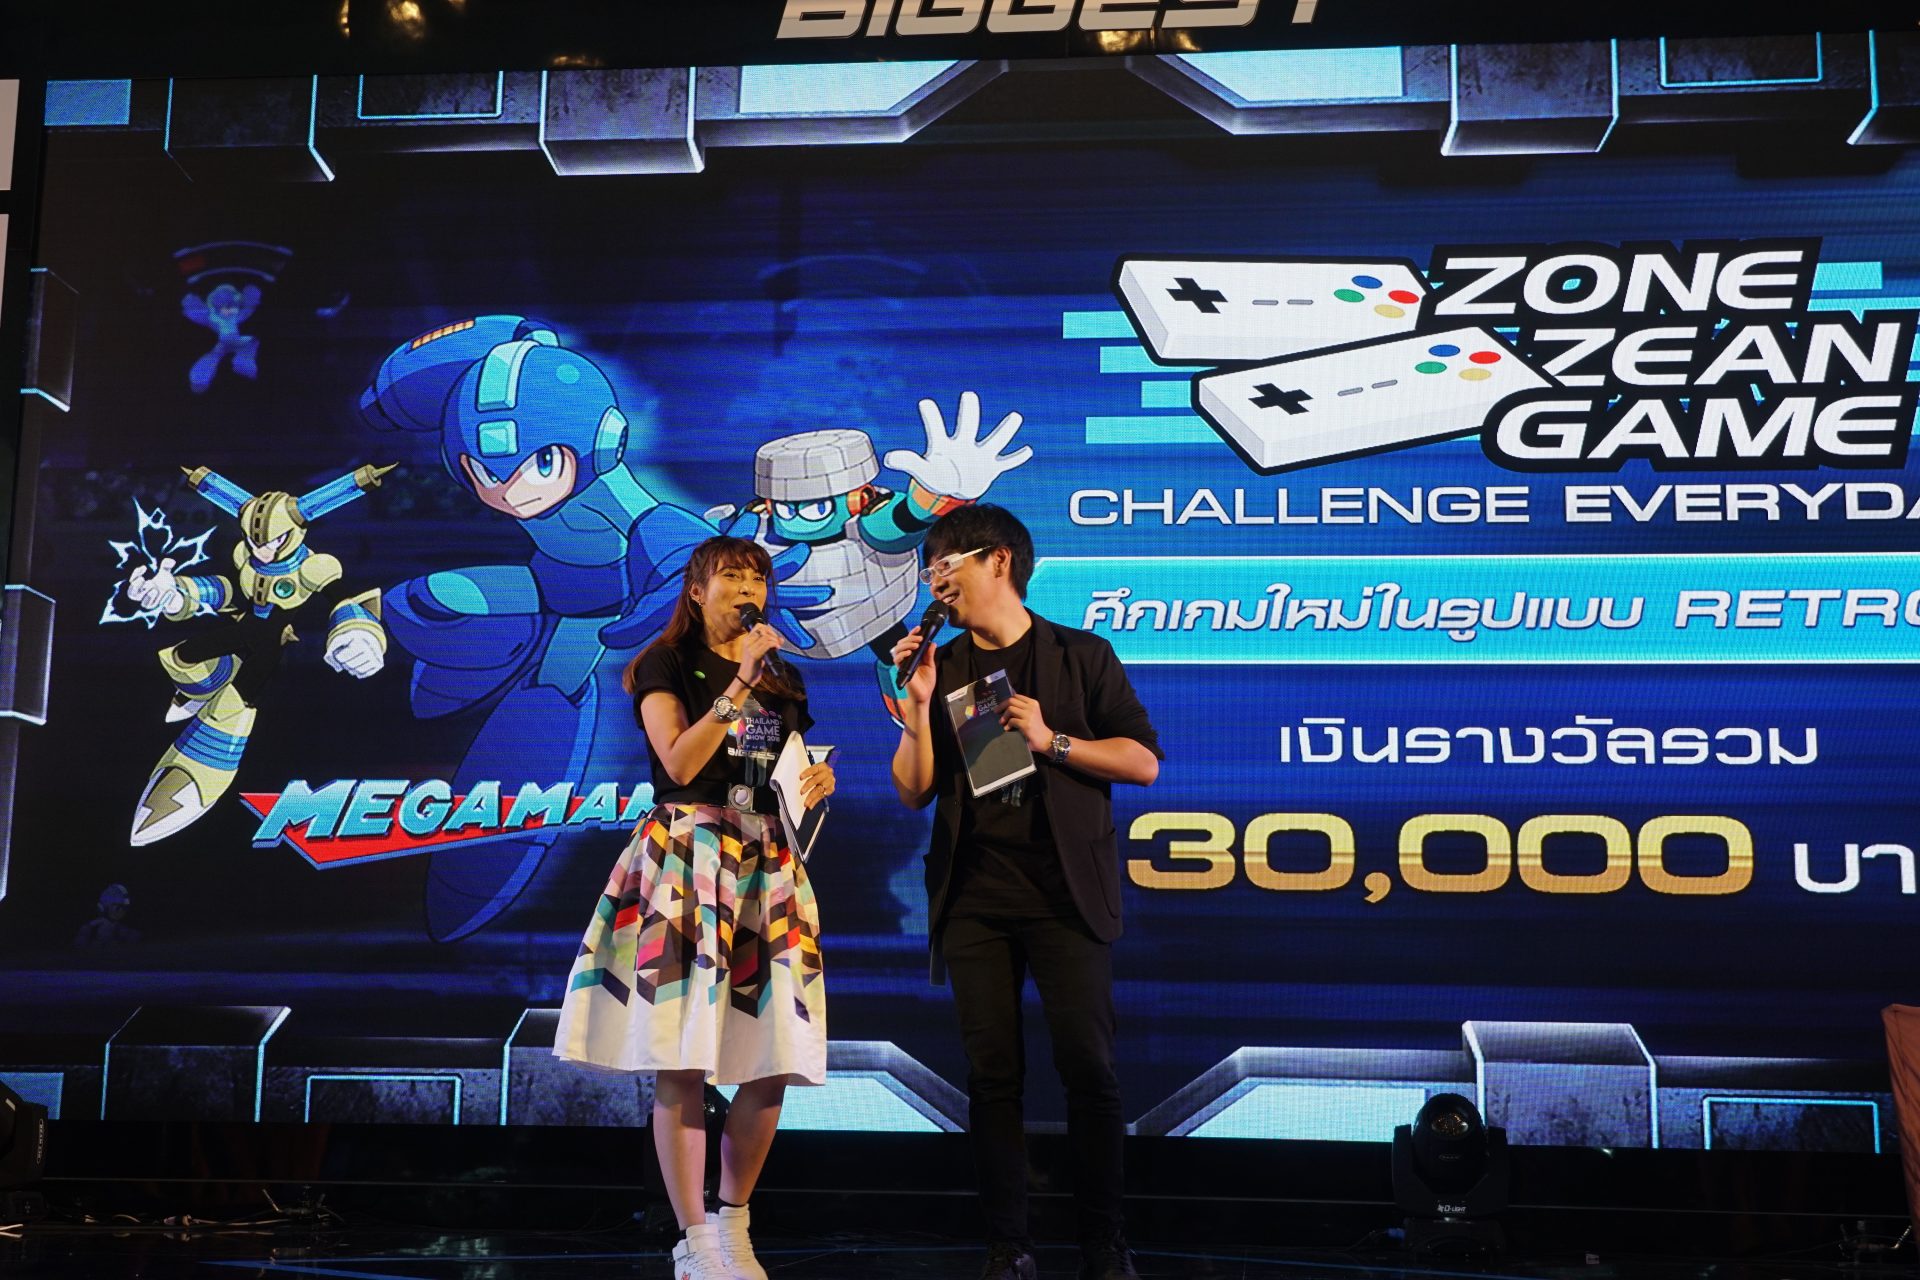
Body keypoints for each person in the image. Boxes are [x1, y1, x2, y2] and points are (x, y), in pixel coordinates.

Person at [888, 504, 1162, 1280]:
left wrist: (1053, 741)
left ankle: (1103, 1243)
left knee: (1089, 1070)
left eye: (947, 566)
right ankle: (1008, 1246)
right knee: (992, 1077)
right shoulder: (940, 665)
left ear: (998, 560)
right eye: (930, 571)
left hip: (1065, 896)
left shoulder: (1080, 655)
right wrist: (917, 709)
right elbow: (912, 789)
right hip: (975, 899)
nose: (936, 584)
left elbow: (1142, 762)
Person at [555, 535, 836, 1280]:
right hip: (689, 857)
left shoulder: (784, 678)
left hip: (766, 865)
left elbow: (782, 771)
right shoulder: (667, 662)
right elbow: (679, 760)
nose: (748, 591)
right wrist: (738, 685)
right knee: (682, 1056)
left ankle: (734, 1225)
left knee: (773, 1056)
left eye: (758, 579)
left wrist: (815, 780)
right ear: (696, 591)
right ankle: (694, 1240)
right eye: (732, 577)